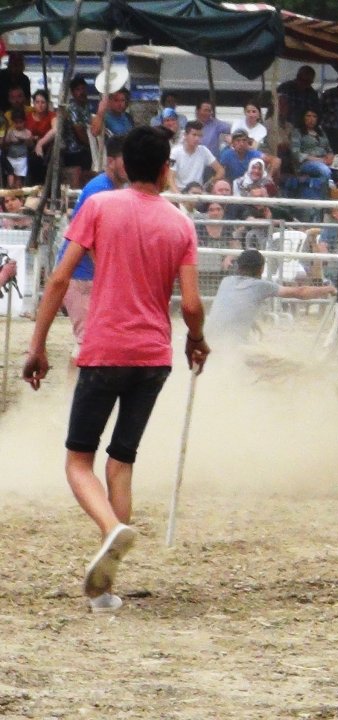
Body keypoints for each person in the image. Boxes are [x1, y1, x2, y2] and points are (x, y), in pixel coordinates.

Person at [22, 125, 209, 614]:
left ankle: (110, 530)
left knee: (78, 461)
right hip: (153, 358)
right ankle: (105, 591)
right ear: (167, 167)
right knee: (120, 462)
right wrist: (197, 341)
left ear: (124, 165)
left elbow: (61, 277)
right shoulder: (180, 224)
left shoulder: (99, 208)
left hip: (104, 351)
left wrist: (37, 345)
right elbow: (190, 303)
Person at [55, 135, 129, 358]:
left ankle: (74, 391)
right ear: (111, 161)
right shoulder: (100, 189)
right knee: (88, 344)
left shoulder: (109, 188)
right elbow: (88, 239)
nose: (129, 168)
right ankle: (73, 391)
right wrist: (108, 271)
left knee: (94, 342)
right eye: (125, 162)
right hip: (80, 275)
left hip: (87, 275)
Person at [205, 249, 336, 348]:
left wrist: (250, 322)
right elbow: (300, 292)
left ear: (238, 266)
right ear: (261, 269)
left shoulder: (226, 281)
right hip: (232, 348)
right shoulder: (260, 286)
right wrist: (329, 289)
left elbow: (232, 307)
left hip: (206, 341)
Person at [170, 121, 224, 190]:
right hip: (179, 191)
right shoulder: (175, 152)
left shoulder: (204, 150)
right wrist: (179, 196)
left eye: (200, 136)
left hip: (197, 192)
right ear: (185, 135)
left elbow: (220, 170)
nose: (197, 138)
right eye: (194, 135)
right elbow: (170, 178)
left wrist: (210, 183)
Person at [61, 77, 94, 188]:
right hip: (74, 151)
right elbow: (79, 131)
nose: (81, 92)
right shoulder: (73, 108)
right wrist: (92, 147)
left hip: (84, 149)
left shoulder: (86, 107)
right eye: (78, 89)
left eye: (83, 89)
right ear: (72, 92)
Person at [276, 65, 320, 130]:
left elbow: (315, 113)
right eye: (301, 79)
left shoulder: (312, 94)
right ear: (297, 76)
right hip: (282, 127)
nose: (303, 83)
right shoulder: (284, 87)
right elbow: (274, 108)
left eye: (308, 82)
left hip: (302, 130)